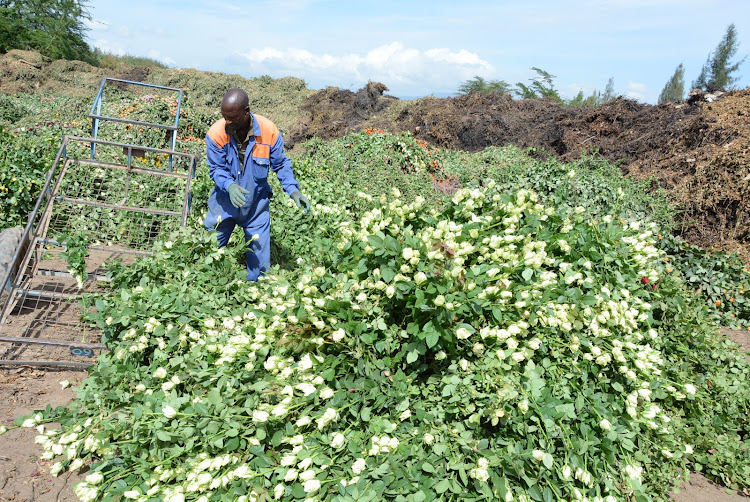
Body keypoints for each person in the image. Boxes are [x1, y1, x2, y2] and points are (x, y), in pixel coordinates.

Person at [204, 88, 310, 281]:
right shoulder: (216, 133)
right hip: (224, 203)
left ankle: (256, 293)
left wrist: (294, 192)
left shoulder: (268, 131)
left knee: (260, 267)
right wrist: (229, 186)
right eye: (224, 117)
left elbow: (281, 164)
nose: (227, 122)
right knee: (209, 252)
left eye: (233, 118)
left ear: (246, 111)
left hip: (255, 207)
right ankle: (206, 287)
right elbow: (216, 169)